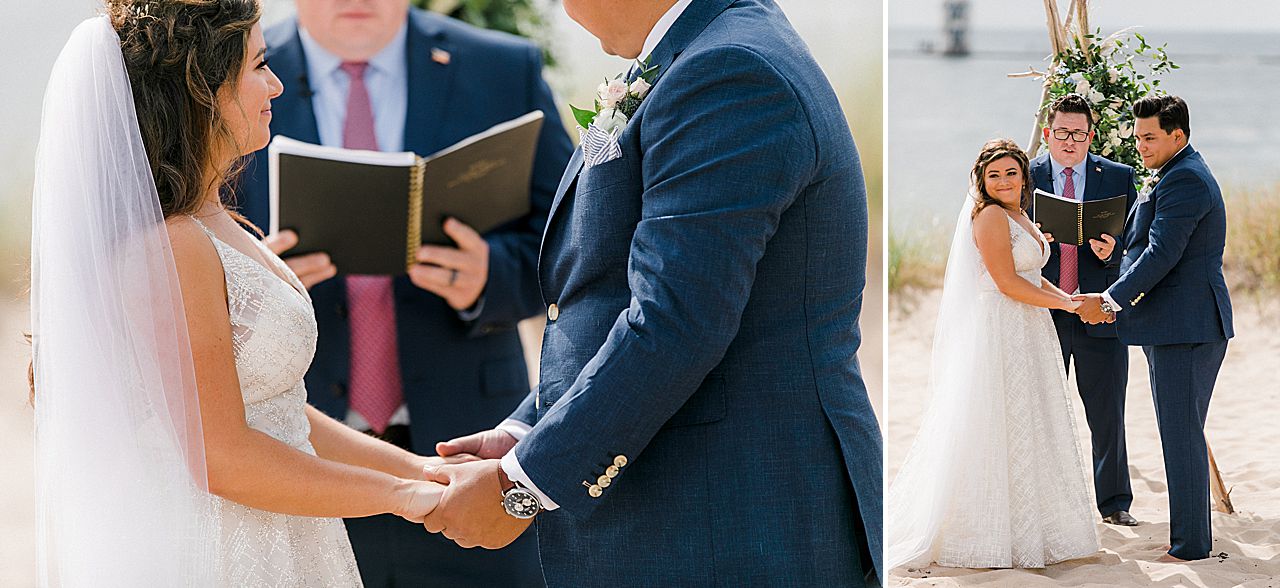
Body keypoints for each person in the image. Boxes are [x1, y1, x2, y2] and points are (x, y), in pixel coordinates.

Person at [422, 0, 883, 585]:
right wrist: (527, 431)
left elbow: (674, 323)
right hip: (705, 514)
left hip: (734, 520)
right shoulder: (703, 51)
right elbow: (621, 294)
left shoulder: (729, 72)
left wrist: (522, 486)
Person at [30, 2, 446, 585]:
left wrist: (422, 471)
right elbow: (220, 456)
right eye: (258, 65)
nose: (275, 84)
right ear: (200, 86)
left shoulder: (214, 219)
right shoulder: (170, 246)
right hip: (224, 552)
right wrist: (403, 497)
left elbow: (275, 408)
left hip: (289, 537)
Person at [233, 0, 573, 584]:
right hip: (294, 464)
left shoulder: (500, 68)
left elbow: (576, 240)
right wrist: (253, 278)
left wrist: (490, 275)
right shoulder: (233, 74)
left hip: (468, 466)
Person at [885, 138, 1099, 570]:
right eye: (994, 175)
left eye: (1011, 173)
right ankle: (986, 532)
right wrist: (1063, 306)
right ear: (983, 180)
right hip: (1000, 328)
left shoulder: (1022, 214)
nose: (1003, 181)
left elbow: (1034, 277)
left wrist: (1073, 301)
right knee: (995, 422)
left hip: (1030, 327)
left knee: (1031, 421)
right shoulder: (990, 218)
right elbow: (1005, 282)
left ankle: (1034, 527)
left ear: (1024, 176)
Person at [1075, 95, 1233, 562]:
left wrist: (1109, 300)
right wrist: (1118, 249)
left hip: (1186, 327)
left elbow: (1163, 255)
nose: (1140, 145)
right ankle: (1189, 537)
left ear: (1177, 136)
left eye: (1149, 137)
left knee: (1181, 436)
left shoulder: (1184, 178)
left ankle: (1190, 547)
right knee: (1180, 432)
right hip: (1174, 326)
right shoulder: (1175, 171)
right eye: (1138, 135)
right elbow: (1151, 246)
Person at [1031, 93, 1140, 527]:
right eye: (1062, 132)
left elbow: (1138, 246)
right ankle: (1044, 503)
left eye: (1078, 133)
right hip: (1044, 313)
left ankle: (1114, 504)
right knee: (1040, 410)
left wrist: (1113, 252)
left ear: (1091, 136)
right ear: (1047, 134)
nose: (1070, 141)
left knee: (1108, 413)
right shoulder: (1027, 174)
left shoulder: (1117, 176)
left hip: (1101, 312)